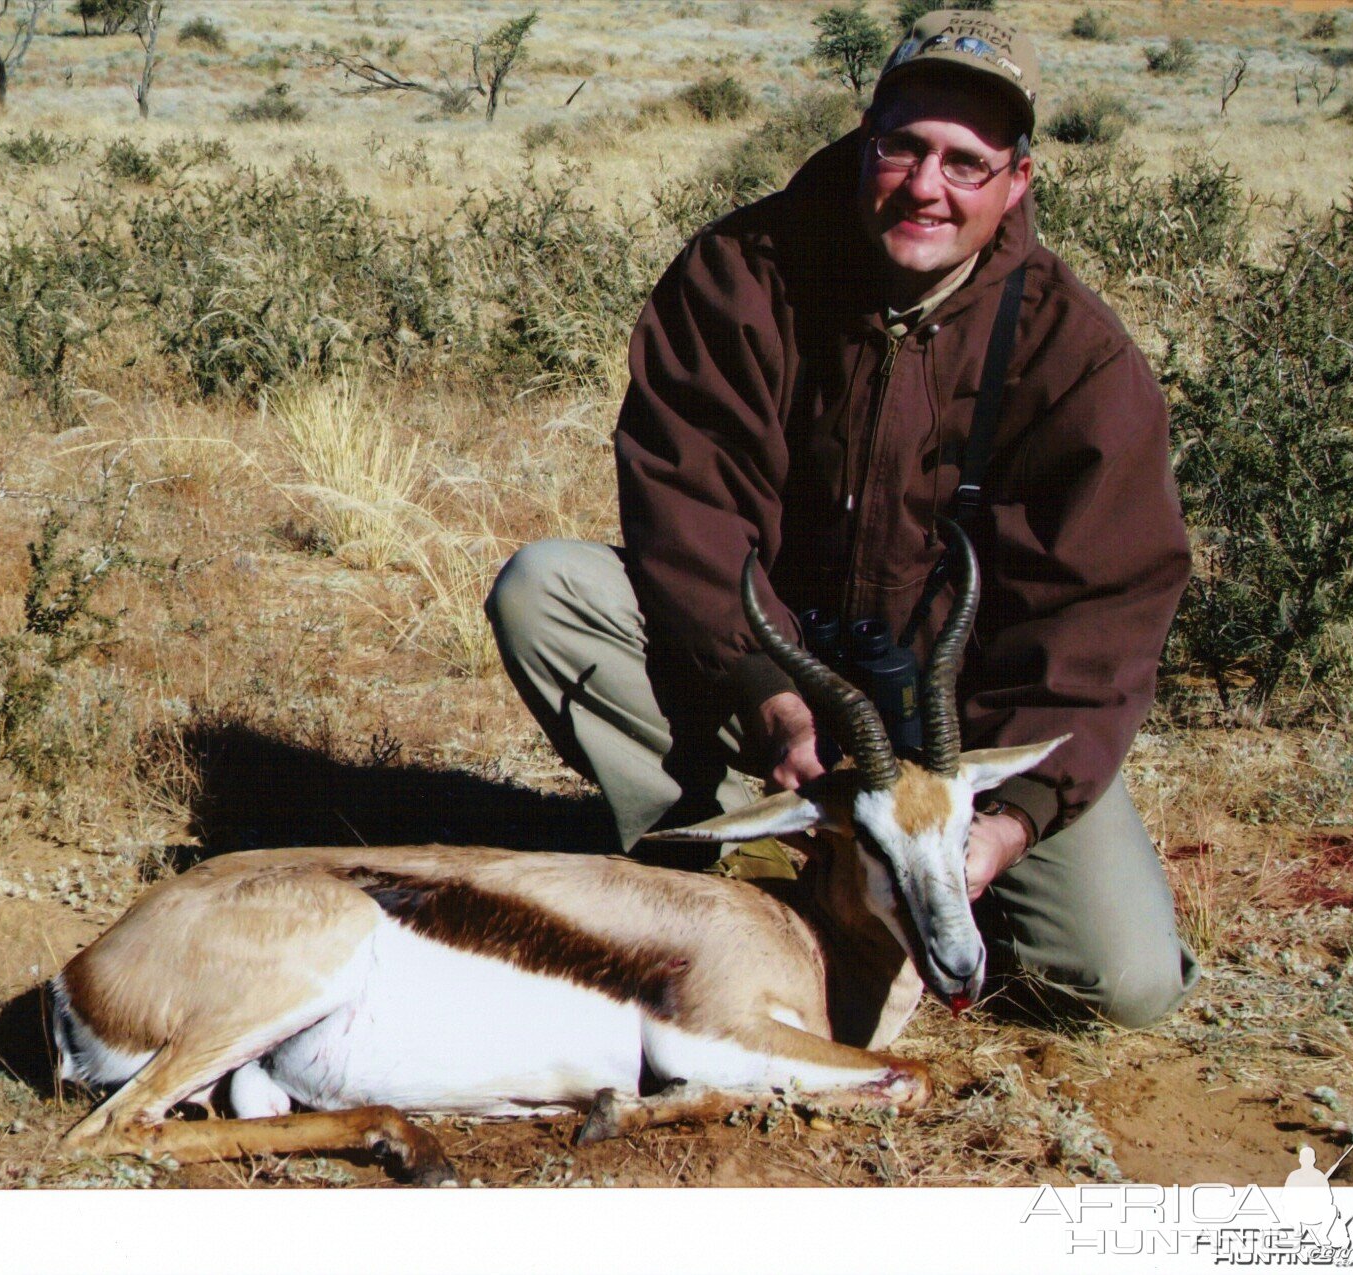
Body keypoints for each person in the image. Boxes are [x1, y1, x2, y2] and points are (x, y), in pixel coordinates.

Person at [485, 11, 1199, 1028]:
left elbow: (1101, 620)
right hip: (783, 690)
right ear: (865, 139)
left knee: (1118, 986)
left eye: (966, 162)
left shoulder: (1077, 356)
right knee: (547, 591)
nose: (925, 185)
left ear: (1017, 182)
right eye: (903, 146)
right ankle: (734, 870)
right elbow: (687, 505)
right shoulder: (744, 272)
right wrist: (770, 696)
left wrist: (1006, 824)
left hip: (967, 739)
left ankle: (904, 889)